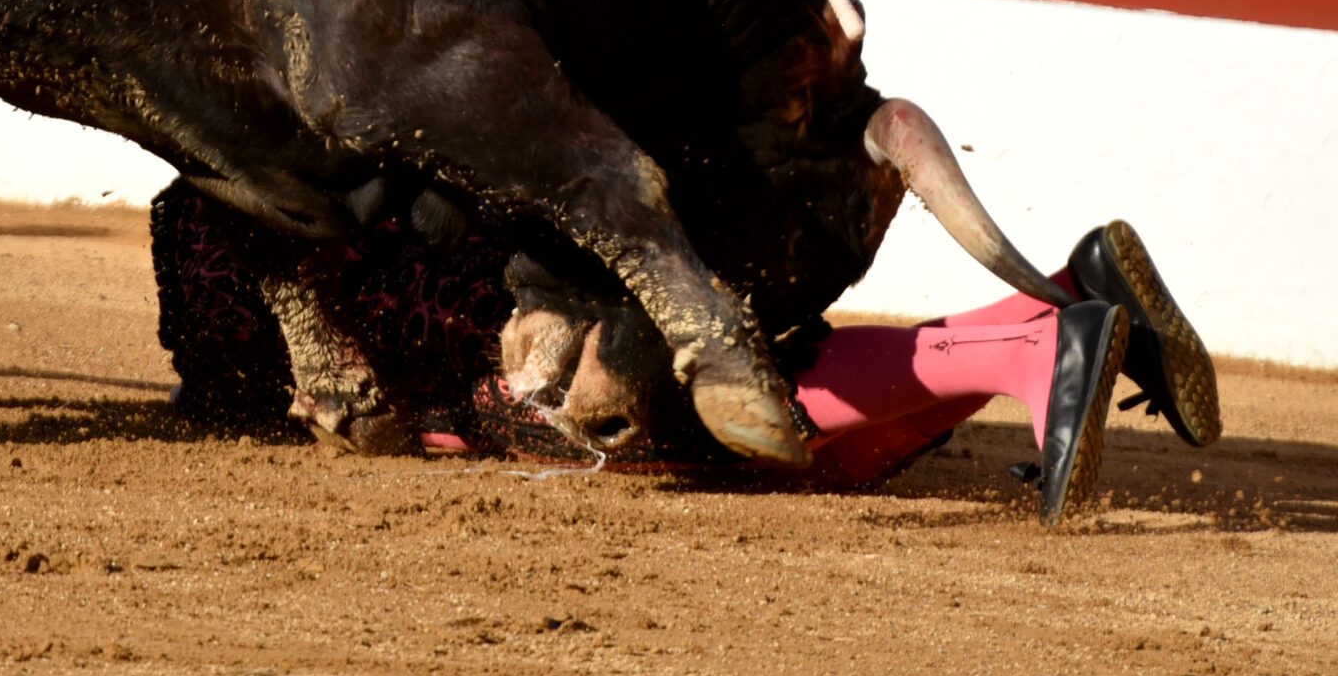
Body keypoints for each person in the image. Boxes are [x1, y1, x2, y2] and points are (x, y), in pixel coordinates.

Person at [154, 181, 1219, 527]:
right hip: (507, 258)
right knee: (782, 422)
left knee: (726, 415)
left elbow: (280, 342)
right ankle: (1066, 304)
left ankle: (1030, 351)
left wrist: (322, 385)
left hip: (481, 330)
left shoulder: (210, 215)